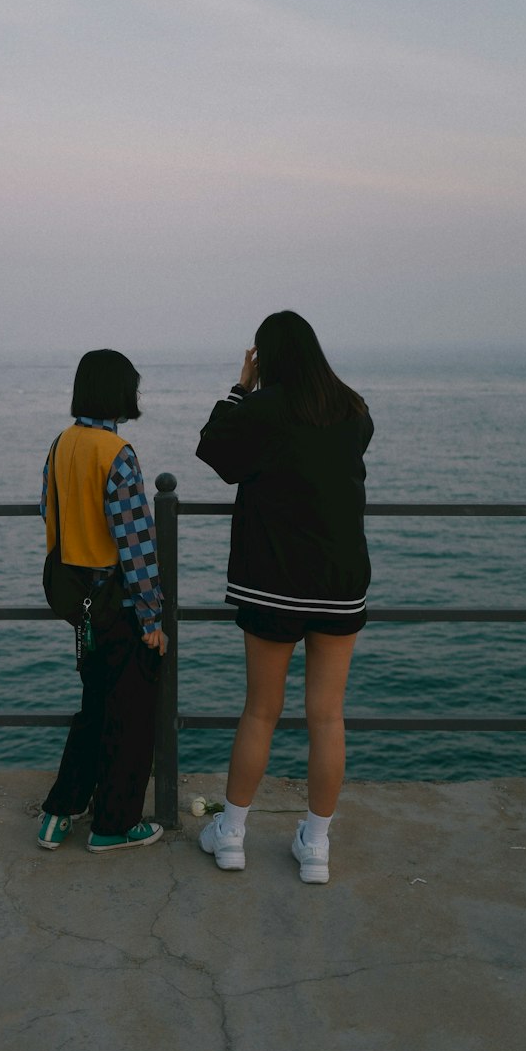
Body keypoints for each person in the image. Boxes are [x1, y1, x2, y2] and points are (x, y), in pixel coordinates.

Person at [195, 311, 373, 884]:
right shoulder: (353, 409)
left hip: (272, 579)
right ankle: (316, 846)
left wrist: (239, 388)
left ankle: (232, 836)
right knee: (327, 715)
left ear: (265, 357)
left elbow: (215, 452)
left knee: (260, 710)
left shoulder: (264, 407)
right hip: (341, 578)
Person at [37, 348, 168, 853]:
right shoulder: (117, 452)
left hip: (80, 602)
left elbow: (46, 507)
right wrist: (152, 616)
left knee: (92, 708)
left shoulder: (61, 443)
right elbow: (135, 542)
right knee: (130, 717)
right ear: (119, 393)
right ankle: (113, 826)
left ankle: (58, 815)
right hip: (120, 605)